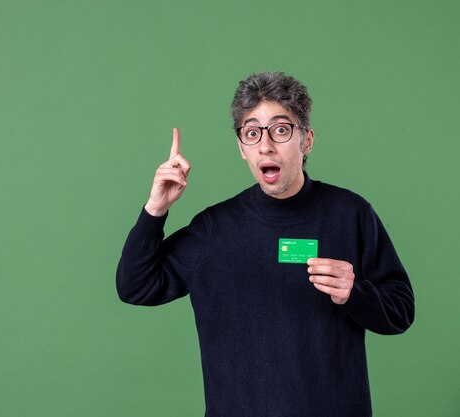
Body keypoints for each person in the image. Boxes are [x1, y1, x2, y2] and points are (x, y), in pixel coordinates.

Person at [116, 71, 415, 417]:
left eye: (281, 129)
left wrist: (354, 293)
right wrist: (156, 209)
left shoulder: (350, 214)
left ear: (307, 141)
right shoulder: (215, 229)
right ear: (242, 149)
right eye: (252, 133)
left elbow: (401, 310)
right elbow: (135, 286)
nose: (266, 145)